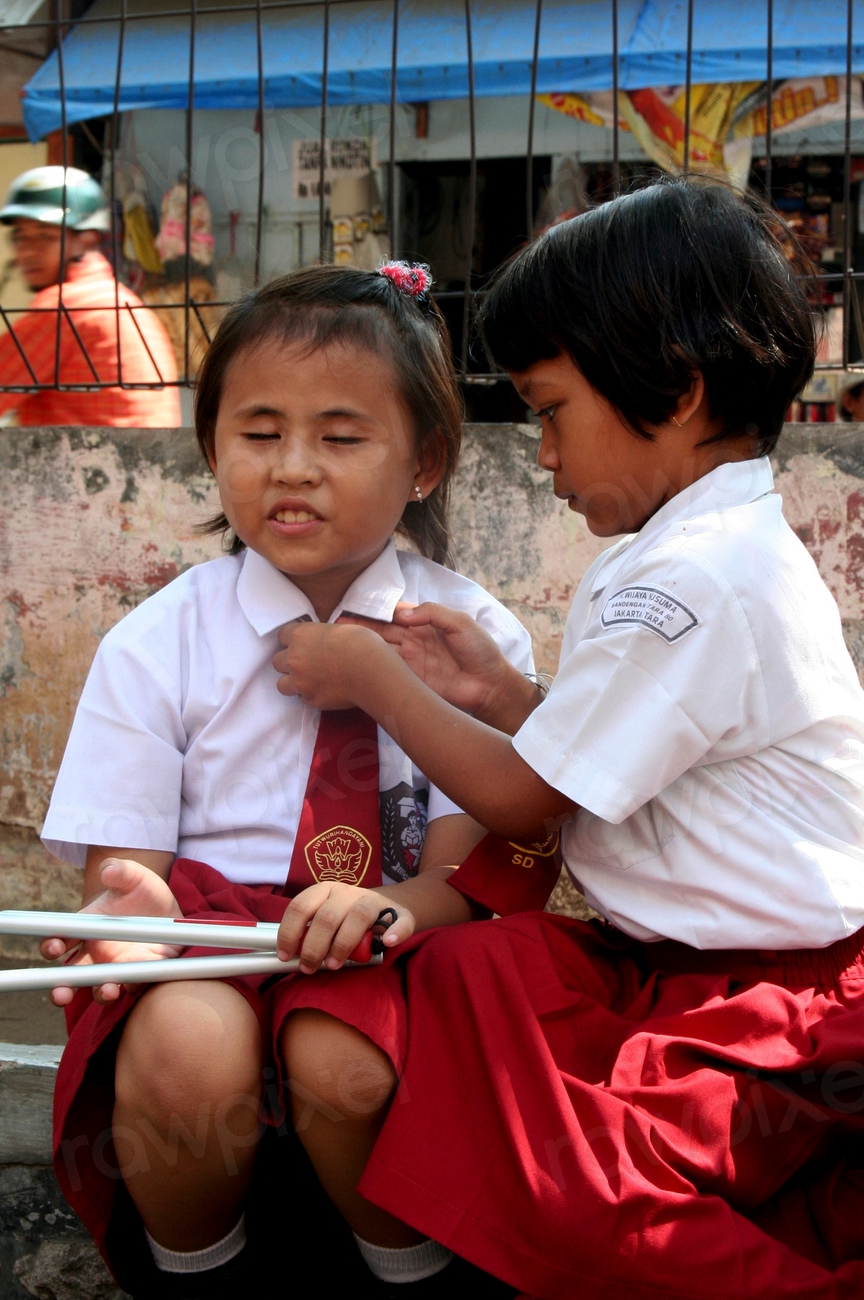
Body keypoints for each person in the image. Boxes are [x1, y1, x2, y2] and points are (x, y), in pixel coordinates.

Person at [269, 180, 864, 1298]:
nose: (540, 454)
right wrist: (499, 690)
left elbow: (528, 802)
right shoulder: (695, 545)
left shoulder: (685, 580)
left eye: (549, 411)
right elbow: (607, 760)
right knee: (473, 965)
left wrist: (371, 678)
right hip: (681, 968)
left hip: (779, 1001)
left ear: (678, 392)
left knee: (576, 1180)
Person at [40, 261, 533, 1298]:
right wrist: (127, 903)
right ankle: (196, 1276)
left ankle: (410, 1273)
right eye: (257, 434)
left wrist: (389, 908)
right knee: (182, 1049)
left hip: (393, 933)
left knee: (343, 1061)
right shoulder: (158, 639)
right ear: (212, 446)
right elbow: (126, 873)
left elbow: (467, 871)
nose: (293, 467)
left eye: (341, 437)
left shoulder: (472, 636)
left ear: (427, 461)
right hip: (208, 933)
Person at [0, 166, 180, 426]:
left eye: (44, 236)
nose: (27, 252)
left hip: (88, 463)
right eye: (20, 238)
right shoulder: (124, 300)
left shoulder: (67, 307)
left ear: (86, 239)